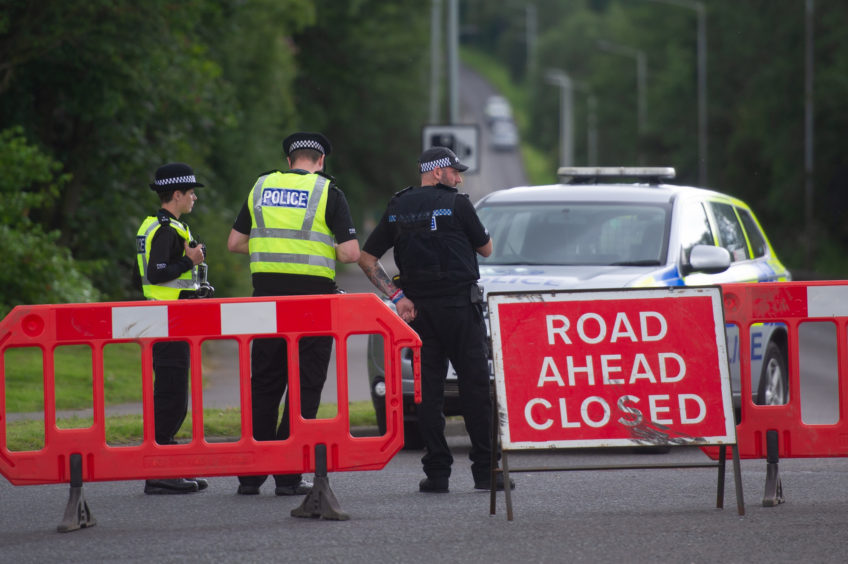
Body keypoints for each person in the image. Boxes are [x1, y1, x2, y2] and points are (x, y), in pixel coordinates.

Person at [358, 146, 514, 493]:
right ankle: (487, 471)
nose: (459, 179)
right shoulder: (458, 204)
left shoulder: (398, 206)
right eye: (455, 172)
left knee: (428, 393)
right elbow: (486, 249)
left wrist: (397, 298)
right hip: (460, 310)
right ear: (437, 171)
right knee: (475, 389)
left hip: (419, 313)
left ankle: (438, 473)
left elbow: (367, 258)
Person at [227, 132, 360, 496]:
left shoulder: (261, 187)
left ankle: (252, 475)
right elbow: (350, 254)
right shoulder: (326, 191)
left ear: (288, 161)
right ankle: (287, 474)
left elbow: (235, 243)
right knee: (304, 387)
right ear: (320, 162)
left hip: (267, 304)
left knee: (265, 385)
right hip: (312, 307)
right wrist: (319, 248)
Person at [136, 162, 210, 495]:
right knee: (172, 396)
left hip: (168, 317)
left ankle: (168, 466)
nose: (194, 197)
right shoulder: (166, 229)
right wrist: (190, 261)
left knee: (172, 392)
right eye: (191, 192)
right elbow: (157, 272)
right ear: (176, 195)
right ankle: (160, 472)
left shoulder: (160, 225)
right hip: (169, 320)